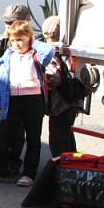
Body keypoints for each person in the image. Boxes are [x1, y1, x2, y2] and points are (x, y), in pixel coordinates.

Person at [0, 20, 54, 187]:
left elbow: (49, 51)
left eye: (20, 39)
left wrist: (34, 42)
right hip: (11, 100)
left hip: (33, 101)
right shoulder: (8, 56)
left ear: (29, 38)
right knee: (2, 136)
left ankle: (29, 174)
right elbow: (1, 81)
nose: (16, 44)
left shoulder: (37, 54)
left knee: (33, 138)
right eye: (13, 40)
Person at [0, 3, 33, 176]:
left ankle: (14, 161)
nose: (7, 26)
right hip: (3, 93)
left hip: (24, 93)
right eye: (6, 23)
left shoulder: (31, 41)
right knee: (2, 129)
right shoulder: (1, 41)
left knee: (19, 131)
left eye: (11, 23)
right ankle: (1, 166)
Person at [42, 15, 87, 157]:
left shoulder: (54, 52)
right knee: (66, 133)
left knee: (58, 138)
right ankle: (72, 163)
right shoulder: (70, 49)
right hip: (71, 100)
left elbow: (53, 79)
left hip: (61, 103)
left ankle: (63, 167)